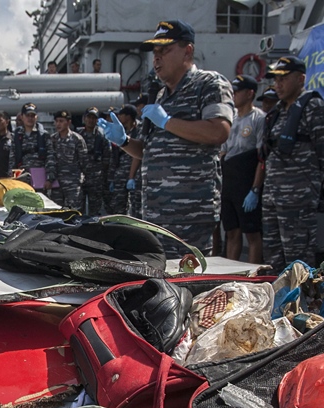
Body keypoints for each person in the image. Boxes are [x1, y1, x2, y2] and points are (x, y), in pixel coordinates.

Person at [100, 19, 233, 255]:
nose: (157, 58)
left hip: (189, 213)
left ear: (187, 51)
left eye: (165, 50)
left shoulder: (208, 83)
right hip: (154, 212)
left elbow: (218, 131)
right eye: (155, 52)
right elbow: (147, 151)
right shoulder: (159, 96)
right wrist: (124, 141)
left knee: (187, 281)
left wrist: (168, 122)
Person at [257, 56, 324, 272]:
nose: (278, 84)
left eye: (283, 78)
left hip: (297, 196)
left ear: (301, 79)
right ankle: (278, 299)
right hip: (273, 195)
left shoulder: (313, 108)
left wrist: (312, 183)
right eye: (276, 80)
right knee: (273, 256)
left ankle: (301, 303)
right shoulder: (278, 111)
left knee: (298, 258)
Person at [220, 74, 264, 263]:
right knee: (231, 231)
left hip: (246, 179)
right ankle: (231, 273)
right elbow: (223, 152)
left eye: (237, 92)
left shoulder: (259, 118)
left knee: (252, 234)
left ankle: (253, 277)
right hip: (229, 179)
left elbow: (262, 157)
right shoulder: (231, 119)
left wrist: (255, 189)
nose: (233, 95)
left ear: (250, 93)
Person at [45, 110, 87, 211]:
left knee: (74, 211)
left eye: (61, 121)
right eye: (57, 121)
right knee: (57, 211)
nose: (58, 124)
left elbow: (84, 162)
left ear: (68, 122)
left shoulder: (77, 139)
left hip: (73, 183)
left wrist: (82, 180)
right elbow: (50, 160)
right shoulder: (52, 139)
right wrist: (50, 178)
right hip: (56, 184)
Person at [107, 104, 141, 216]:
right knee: (118, 207)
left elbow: (138, 154)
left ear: (128, 116)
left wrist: (131, 177)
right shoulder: (122, 132)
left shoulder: (139, 131)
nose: (119, 117)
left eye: (121, 115)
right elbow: (115, 156)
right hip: (120, 176)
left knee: (137, 209)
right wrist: (112, 178)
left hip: (135, 176)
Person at [77, 107, 110, 215]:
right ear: (84, 119)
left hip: (96, 178)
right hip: (80, 177)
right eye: (89, 117)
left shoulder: (102, 137)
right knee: (78, 209)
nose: (91, 120)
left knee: (95, 210)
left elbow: (107, 158)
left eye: (93, 118)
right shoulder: (78, 135)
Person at [11, 103, 47, 191]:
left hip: (39, 176)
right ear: (22, 117)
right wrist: (12, 176)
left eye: (32, 115)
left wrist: (50, 178)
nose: (30, 118)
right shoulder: (17, 135)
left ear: (36, 117)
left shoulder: (44, 135)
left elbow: (50, 158)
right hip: (22, 176)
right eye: (27, 115)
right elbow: (12, 157)